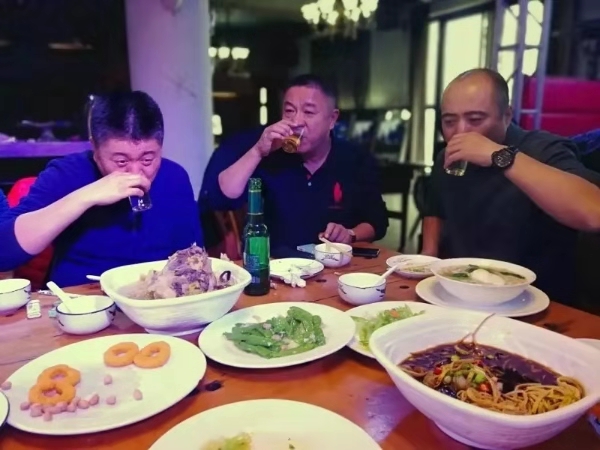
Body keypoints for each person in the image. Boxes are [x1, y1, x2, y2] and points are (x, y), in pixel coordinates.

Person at [422, 68, 600, 304]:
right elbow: (435, 208)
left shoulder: (542, 149)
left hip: (535, 299)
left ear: (506, 116)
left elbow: (594, 212)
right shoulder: (446, 157)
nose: (460, 132)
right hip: (460, 293)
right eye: (449, 122)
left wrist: (499, 155)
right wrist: (428, 254)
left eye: (475, 120)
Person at [0, 91, 202, 286]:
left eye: (147, 159)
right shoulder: (66, 174)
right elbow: (4, 253)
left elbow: (193, 258)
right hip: (80, 299)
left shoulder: (175, 177)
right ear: (95, 149)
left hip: (155, 298)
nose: (135, 173)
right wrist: (87, 196)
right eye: (121, 161)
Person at [200, 74, 388, 255]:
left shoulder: (354, 159)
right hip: (278, 266)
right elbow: (221, 199)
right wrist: (257, 151)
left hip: (335, 266)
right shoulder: (272, 156)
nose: (296, 122)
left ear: (332, 119)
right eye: (289, 111)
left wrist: (350, 234)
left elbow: (377, 222)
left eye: (309, 112)